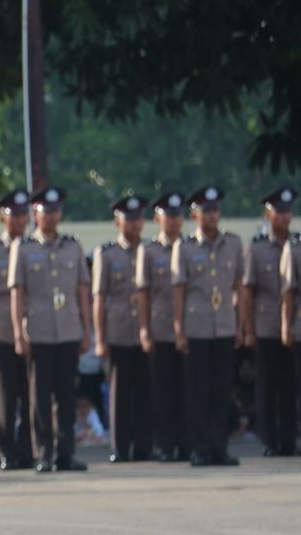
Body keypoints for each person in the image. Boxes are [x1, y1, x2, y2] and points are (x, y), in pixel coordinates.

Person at [10, 186, 92, 473]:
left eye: (56, 211)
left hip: (68, 328)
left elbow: (83, 291)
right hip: (40, 330)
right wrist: (19, 334)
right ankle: (44, 451)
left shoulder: (73, 246)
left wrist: (86, 328)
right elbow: (17, 294)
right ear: (36, 213)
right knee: (40, 395)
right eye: (47, 211)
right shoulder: (24, 248)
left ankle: (66, 452)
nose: (52, 216)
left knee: (67, 396)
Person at [174, 186, 247, 467]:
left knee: (220, 390)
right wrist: (179, 329)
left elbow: (238, 286)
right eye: (206, 210)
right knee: (198, 391)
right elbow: (179, 291)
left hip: (225, 325)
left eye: (215, 210)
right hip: (197, 326)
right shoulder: (185, 247)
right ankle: (200, 447)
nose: (212, 215)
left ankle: (220, 446)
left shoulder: (233, 244)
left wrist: (240, 324)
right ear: (195, 214)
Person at [93, 195, 152, 462]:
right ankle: (120, 447)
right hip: (118, 329)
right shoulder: (106, 253)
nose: (134, 223)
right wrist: (100, 338)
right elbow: (99, 297)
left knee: (145, 391)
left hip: (147, 329)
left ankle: (143, 446)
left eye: (139, 217)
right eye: (129, 218)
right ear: (118, 221)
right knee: (119, 391)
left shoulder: (151, 250)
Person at [0, 190, 34, 469]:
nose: (21, 220)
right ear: (3, 217)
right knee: (6, 395)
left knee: (30, 394)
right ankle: (6, 451)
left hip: (34, 329)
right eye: (16, 215)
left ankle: (27, 449)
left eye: (25, 214)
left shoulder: (34, 247)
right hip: (1, 330)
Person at [246, 187, 296, 456]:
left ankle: (289, 439)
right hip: (266, 324)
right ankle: (270, 440)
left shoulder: (297, 244)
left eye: (288, 211)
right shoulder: (256, 248)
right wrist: (248, 329)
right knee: (267, 386)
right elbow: (247, 291)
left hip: (296, 326)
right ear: (268, 214)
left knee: (291, 385)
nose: (284, 217)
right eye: (279, 211)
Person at [139, 192, 189, 461]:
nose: (173, 222)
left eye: (177, 216)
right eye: (168, 217)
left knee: (188, 390)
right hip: (160, 329)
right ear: (158, 218)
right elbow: (143, 294)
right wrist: (144, 329)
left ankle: (187, 443)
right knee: (163, 391)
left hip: (191, 329)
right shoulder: (148, 251)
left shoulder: (192, 247)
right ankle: (166, 445)